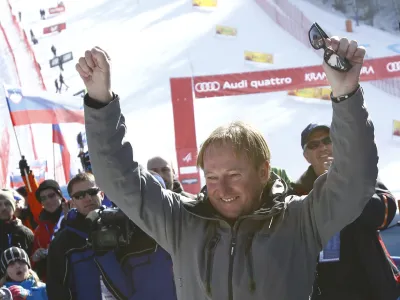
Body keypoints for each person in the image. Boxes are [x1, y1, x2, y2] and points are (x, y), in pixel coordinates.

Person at [78, 37, 378, 299]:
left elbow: (354, 181)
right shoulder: (182, 222)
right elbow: (117, 178)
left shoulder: (299, 220)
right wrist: (99, 101)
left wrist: (347, 93)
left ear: (263, 172)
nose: (221, 189)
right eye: (211, 177)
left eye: (234, 175)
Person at [290, 123, 398, 300]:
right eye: (314, 145)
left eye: (328, 140)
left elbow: (384, 214)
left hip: (370, 287)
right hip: (323, 291)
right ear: (306, 156)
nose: (323, 147)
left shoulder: (362, 175)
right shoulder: (298, 192)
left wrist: (341, 183)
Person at [47, 172, 177, 300]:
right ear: (72, 202)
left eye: (92, 192)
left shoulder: (125, 225)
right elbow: (56, 289)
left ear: (101, 194)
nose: (88, 198)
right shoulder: (63, 241)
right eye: (80, 196)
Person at [31, 180, 64, 281]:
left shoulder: (74, 215)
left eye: (51, 195)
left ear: (60, 195)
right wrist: (36, 257)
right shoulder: (40, 229)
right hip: (54, 281)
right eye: (43, 198)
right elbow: (33, 262)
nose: (48, 201)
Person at [0, 190, 34, 274]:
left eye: (7, 203)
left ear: (13, 206)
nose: (4, 208)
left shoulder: (25, 232)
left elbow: (34, 264)